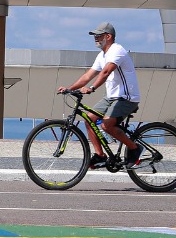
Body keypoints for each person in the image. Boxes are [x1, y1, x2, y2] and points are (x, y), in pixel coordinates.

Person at [57, 21, 143, 168]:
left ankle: (135, 148)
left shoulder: (117, 50)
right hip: (111, 98)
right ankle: (100, 155)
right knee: (89, 119)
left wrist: (91, 88)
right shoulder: (102, 55)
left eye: (99, 35)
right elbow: (87, 76)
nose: (95, 38)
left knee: (106, 125)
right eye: (94, 36)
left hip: (127, 98)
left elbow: (106, 72)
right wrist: (69, 88)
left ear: (108, 36)